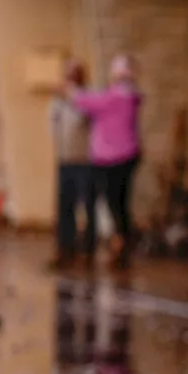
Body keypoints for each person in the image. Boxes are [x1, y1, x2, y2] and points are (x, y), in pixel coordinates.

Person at [67, 54, 142, 269]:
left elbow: (86, 100)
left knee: (113, 203)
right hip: (124, 156)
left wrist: (72, 89)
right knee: (120, 203)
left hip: (112, 159)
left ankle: (120, 242)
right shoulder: (128, 97)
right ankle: (121, 240)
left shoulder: (117, 98)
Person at [50, 59, 98, 269]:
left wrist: (75, 97)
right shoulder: (58, 103)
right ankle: (65, 248)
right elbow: (53, 126)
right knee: (64, 206)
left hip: (86, 161)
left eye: (75, 75)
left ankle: (87, 249)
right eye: (68, 76)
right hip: (65, 160)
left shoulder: (89, 99)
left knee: (87, 206)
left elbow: (89, 120)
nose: (70, 80)